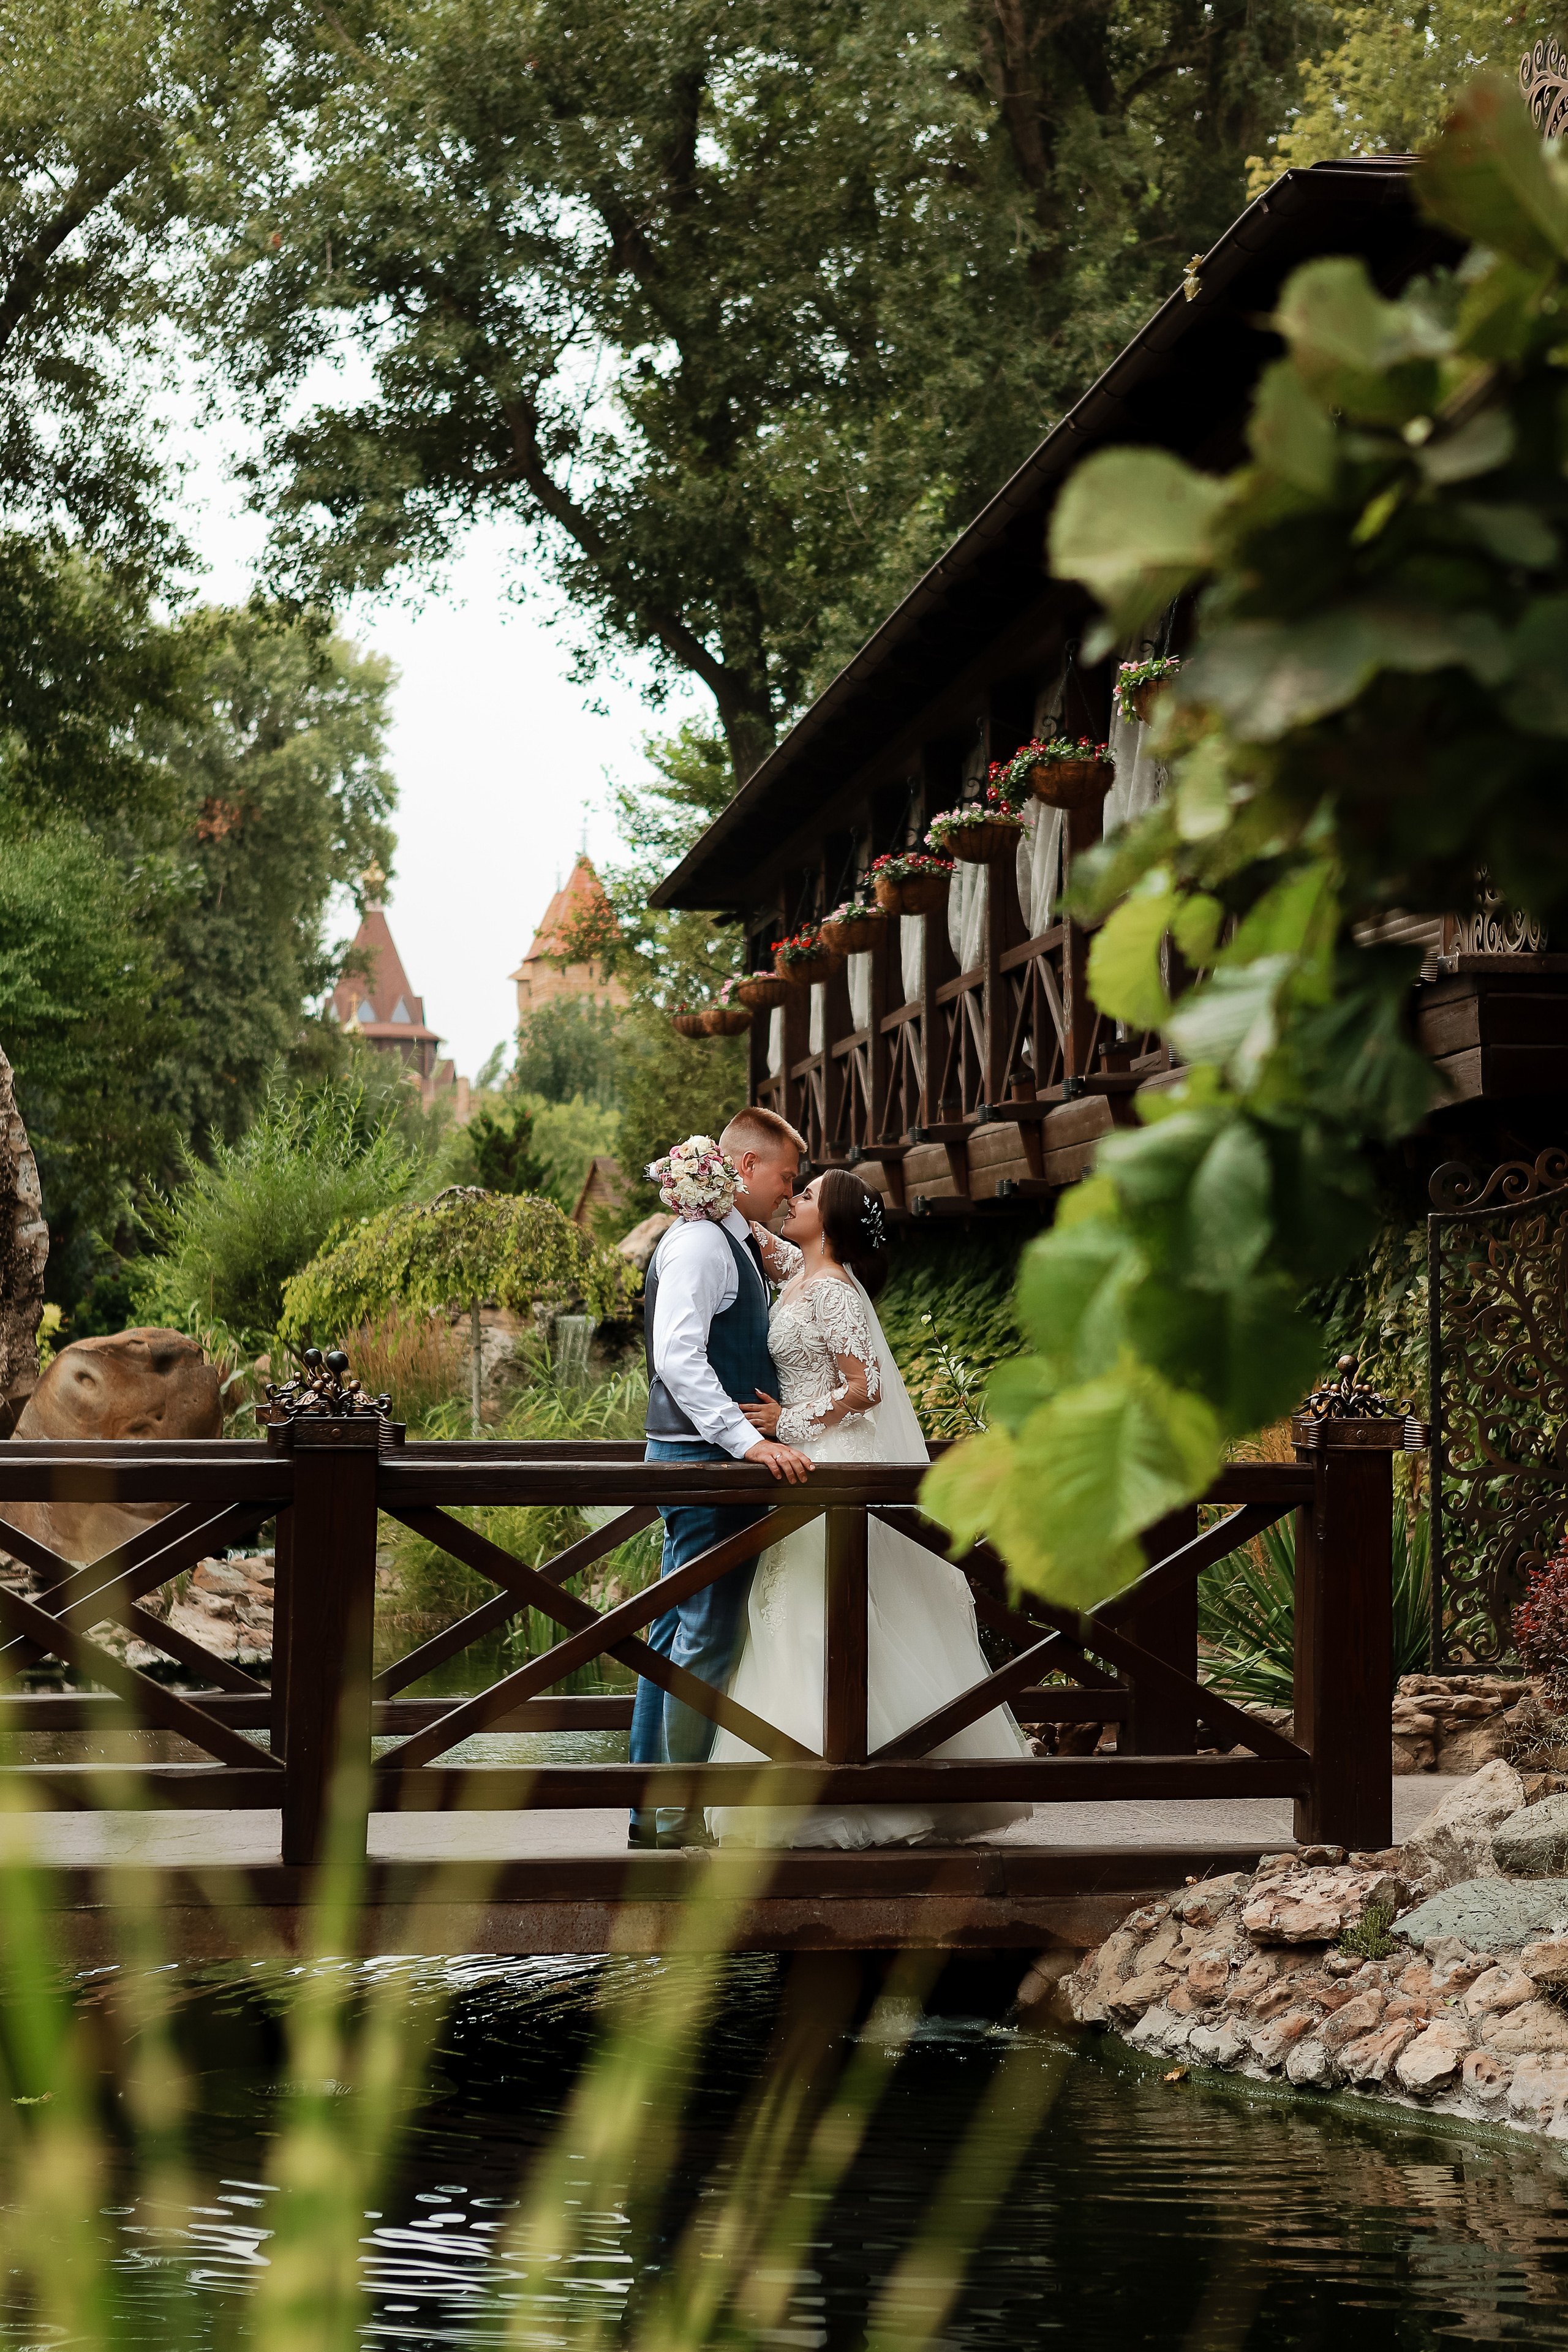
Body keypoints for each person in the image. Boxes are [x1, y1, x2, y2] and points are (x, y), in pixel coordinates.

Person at [708, 1167, 1033, 1848]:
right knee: (793, 1613)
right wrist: (708, 1183)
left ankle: (871, 1779)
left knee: (837, 1614)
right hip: (812, 1466)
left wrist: (784, 1423)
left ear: (827, 1221)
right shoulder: (801, 1267)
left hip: (837, 1463)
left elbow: (866, 1388)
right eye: (794, 1191)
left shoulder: (832, 1290)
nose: (792, 1201)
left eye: (806, 1197)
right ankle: (802, 1776)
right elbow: (759, 1227)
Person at [628, 1108, 813, 1851]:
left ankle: (657, 1809)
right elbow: (678, 1358)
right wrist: (748, 1443)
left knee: (676, 1631)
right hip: (704, 1462)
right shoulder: (703, 1245)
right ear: (743, 1170)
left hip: (701, 1458)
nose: (788, 1191)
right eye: (785, 1177)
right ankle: (670, 1815)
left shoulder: (729, 1240)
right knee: (703, 1634)